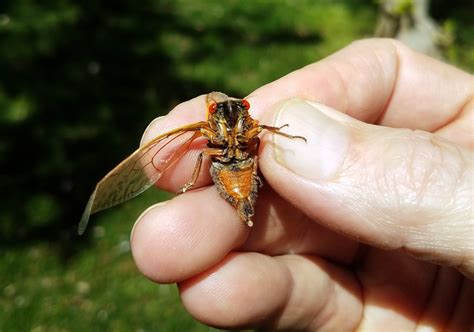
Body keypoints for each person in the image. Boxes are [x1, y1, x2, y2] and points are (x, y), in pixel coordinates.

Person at [130, 39, 473, 331]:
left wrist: (285, 133)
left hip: (246, 170)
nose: (236, 115)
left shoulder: (252, 125)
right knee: (205, 157)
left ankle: (244, 203)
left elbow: (263, 130)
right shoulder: (206, 134)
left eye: (241, 110)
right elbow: (207, 153)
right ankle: (236, 201)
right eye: (226, 111)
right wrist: (193, 178)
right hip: (228, 170)